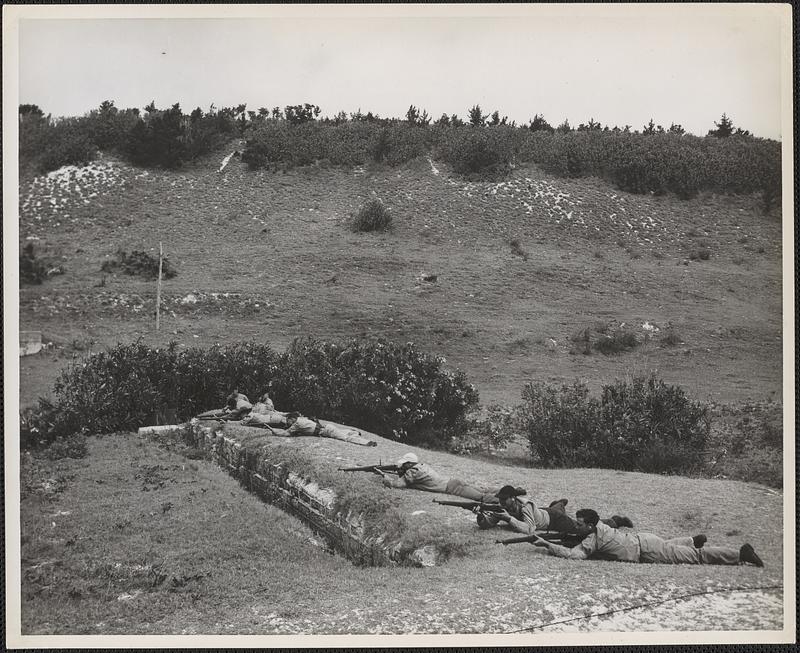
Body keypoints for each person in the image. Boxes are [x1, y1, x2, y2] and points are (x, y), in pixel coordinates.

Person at [529, 508, 764, 566]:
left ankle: (739, 554)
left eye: (580, 524)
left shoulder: (592, 539)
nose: (576, 527)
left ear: (590, 524)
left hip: (647, 550)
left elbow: (574, 555)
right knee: (671, 547)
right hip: (645, 539)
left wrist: (546, 545)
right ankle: (691, 540)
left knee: (697, 558)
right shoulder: (600, 526)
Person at [483, 485, 633, 536]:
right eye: (500, 500)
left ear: (513, 498)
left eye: (504, 499)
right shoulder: (505, 506)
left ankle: (616, 521)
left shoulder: (525, 507)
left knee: (578, 528)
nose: (501, 502)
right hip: (545, 512)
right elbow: (490, 521)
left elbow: (530, 529)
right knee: (555, 509)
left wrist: (509, 519)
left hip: (554, 520)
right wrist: (482, 517)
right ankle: (559, 504)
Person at [381, 453, 498, 502]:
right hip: (453, 482)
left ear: (410, 464)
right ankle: (511, 491)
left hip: (452, 488)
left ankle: (504, 501)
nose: (403, 465)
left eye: (405, 464)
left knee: (481, 497)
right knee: (483, 490)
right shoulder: (421, 466)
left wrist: (388, 481)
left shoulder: (414, 471)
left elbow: (400, 484)